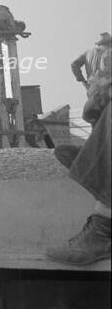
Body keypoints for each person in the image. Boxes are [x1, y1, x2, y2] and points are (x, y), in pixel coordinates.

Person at [46, 32, 112, 266]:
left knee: (102, 113)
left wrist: (84, 81)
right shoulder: (104, 52)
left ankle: (104, 229)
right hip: (102, 89)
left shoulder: (91, 52)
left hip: (98, 87)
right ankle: (96, 159)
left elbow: (75, 65)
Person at [71, 32, 112, 125]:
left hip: (92, 89)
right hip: (106, 90)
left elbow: (74, 64)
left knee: (94, 117)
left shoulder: (88, 52)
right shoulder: (109, 51)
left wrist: (82, 80)